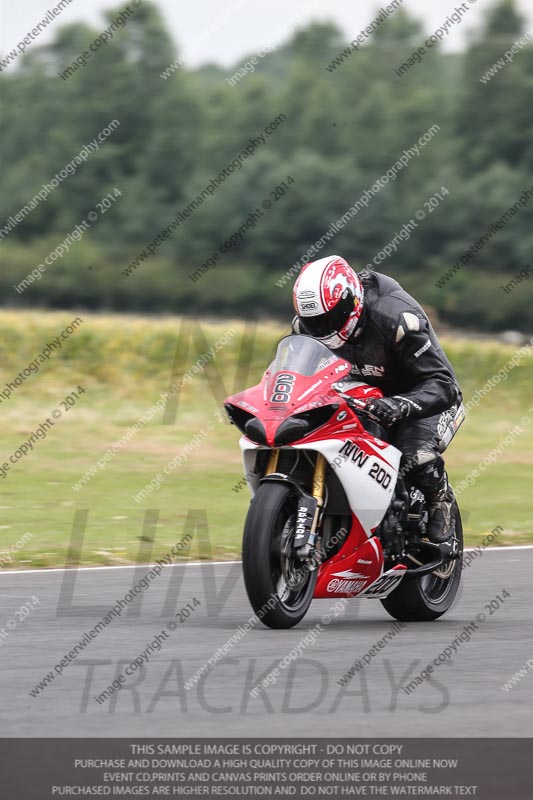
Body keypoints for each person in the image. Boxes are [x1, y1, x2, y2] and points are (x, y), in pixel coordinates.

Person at [291, 255, 463, 543]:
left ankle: (439, 496)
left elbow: (443, 384)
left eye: (329, 318)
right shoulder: (305, 327)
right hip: (359, 397)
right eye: (314, 322)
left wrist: (400, 405)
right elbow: (298, 373)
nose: (323, 328)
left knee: (414, 457)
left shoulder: (397, 318)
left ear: (353, 300)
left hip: (423, 396)